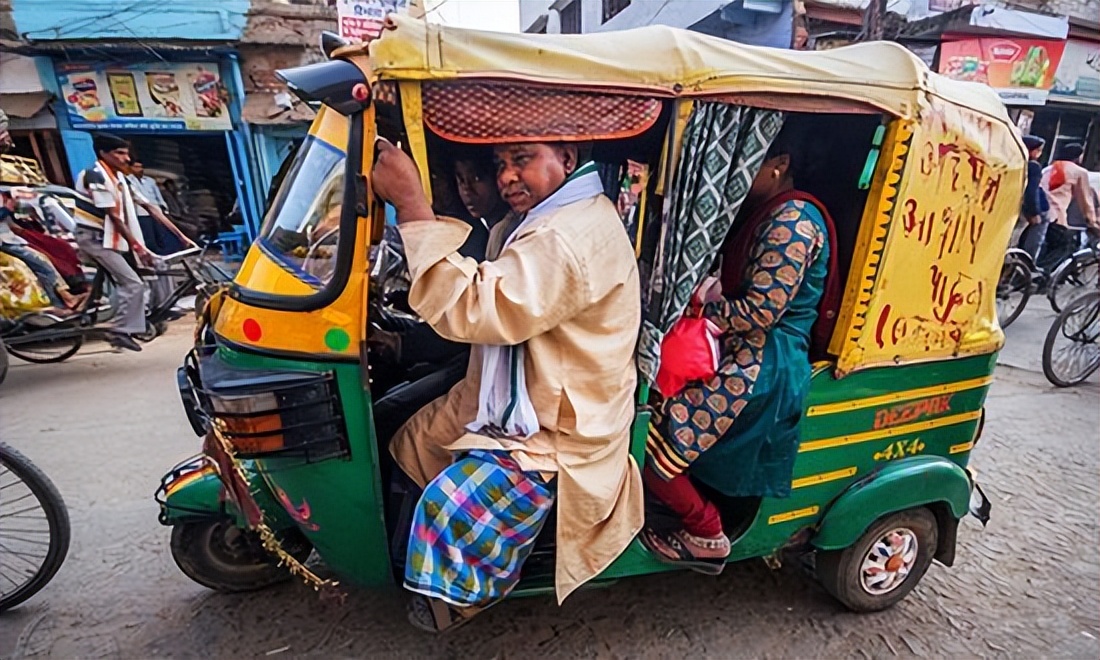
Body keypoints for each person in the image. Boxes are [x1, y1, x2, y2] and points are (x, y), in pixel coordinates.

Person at [371, 138, 643, 632]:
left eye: (522, 160)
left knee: (446, 501)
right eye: (500, 164)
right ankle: (413, 567)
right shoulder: (532, 221)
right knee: (407, 440)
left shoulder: (568, 234)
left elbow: (478, 307)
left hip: (557, 427)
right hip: (516, 397)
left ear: (567, 157)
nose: (506, 177)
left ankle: (459, 598)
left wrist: (411, 204)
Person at [640, 126, 840, 574]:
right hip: (742, 352)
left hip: (760, 364)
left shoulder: (792, 220)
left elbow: (761, 311)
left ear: (779, 164)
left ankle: (706, 532)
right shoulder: (770, 212)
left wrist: (701, 311)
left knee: (650, 439)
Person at [74, 133, 154, 352]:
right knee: (132, 283)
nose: (126, 158)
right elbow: (113, 215)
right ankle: (120, 331)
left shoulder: (119, 179)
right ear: (103, 154)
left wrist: (182, 235)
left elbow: (150, 206)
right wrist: (136, 245)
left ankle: (137, 322)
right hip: (96, 239)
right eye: (119, 153)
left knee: (140, 275)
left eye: (127, 153)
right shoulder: (94, 176)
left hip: (110, 238)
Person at [0, 191, 86, 312]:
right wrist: (7, 208)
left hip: (11, 238)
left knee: (48, 256)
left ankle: (66, 295)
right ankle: (62, 301)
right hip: (5, 242)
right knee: (40, 262)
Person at [1039, 144, 1099, 273]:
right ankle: (1043, 275)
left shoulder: (1048, 169)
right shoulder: (1078, 172)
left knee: (1043, 245)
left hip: (1039, 214)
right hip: (1056, 217)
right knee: (1065, 246)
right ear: (1077, 156)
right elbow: (1085, 200)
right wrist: (1092, 221)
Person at [127, 161, 189, 255]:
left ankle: (167, 253)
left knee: (162, 233)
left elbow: (158, 195)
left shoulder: (150, 181)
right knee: (148, 234)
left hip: (156, 210)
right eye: (136, 167)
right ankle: (154, 254)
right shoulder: (128, 181)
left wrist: (163, 206)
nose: (139, 169)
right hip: (141, 211)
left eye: (140, 166)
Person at [1017, 135, 1050, 261]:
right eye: (1038, 150)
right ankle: (1028, 263)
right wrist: (1034, 213)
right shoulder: (1033, 167)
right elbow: (1031, 191)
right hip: (1035, 209)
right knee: (1034, 240)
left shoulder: (1017, 163)